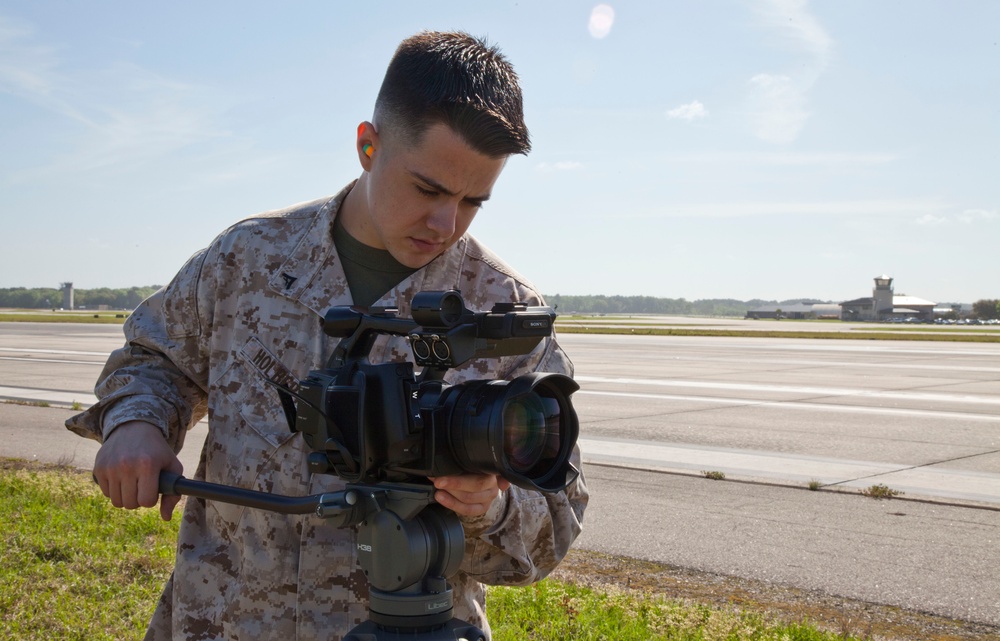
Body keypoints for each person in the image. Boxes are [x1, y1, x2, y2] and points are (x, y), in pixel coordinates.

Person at [67, 31, 588, 641]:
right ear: (369, 145)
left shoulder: (502, 313)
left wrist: (488, 509)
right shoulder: (250, 257)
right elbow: (153, 358)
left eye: (474, 200)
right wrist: (138, 422)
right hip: (227, 622)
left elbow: (555, 522)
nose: (445, 223)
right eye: (428, 189)